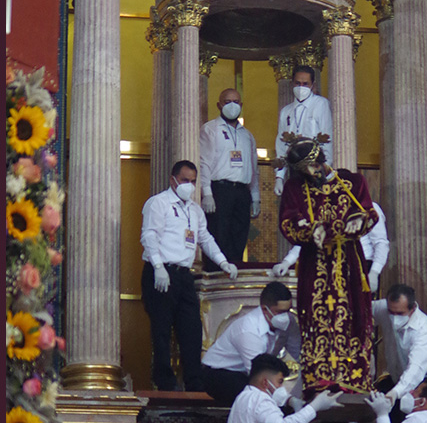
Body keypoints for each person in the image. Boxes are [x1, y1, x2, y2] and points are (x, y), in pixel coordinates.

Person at [278, 136, 378, 394]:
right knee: (316, 318)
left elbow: (369, 213)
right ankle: (318, 380)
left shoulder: (352, 182)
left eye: (312, 166)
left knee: (353, 317)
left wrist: (357, 222)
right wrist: (312, 233)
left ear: (321, 160)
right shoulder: (294, 188)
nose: (311, 174)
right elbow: (288, 223)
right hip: (315, 265)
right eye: (304, 171)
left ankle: (354, 380)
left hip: (348, 266)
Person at [139, 160, 239, 392]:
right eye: (185, 180)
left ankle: (194, 382)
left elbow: (205, 238)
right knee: (162, 330)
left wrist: (223, 261)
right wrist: (158, 266)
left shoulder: (194, 210)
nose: (189, 186)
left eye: (193, 181)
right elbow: (149, 236)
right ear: (173, 180)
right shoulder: (158, 203)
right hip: (160, 272)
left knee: (192, 329)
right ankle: (164, 383)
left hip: (185, 276)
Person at [202, 281, 301, 406]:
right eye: (279, 312)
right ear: (265, 309)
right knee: (256, 396)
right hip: (220, 373)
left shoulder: (289, 322)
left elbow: (299, 352)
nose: (285, 317)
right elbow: (259, 375)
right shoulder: (248, 330)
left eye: (287, 311)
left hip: (246, 372)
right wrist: (289, 401)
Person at [271, 199, 389, 292]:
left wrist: (374, 272)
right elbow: (309, 240)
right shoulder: (323, 209)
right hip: (329, 266)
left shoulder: (368, 208)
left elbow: (381, 243)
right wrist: (286, 262)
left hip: (360, 266)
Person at [198, 86, 260, 263]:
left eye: (236, 102)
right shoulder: (210, 129)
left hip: (242, 191)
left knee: (239, 238)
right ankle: (214, 282)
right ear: (219, 105)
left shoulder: (247, 135)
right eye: (227, 102)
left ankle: (233, 280)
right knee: (218, 236)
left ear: (241, 105)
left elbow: (253, 167)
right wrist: (207, 193)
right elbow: (204, 163)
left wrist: (255, 197)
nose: (232, 105)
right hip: (220, 190)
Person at [371, 283, 427, 423]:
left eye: (400, 314)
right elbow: (364, 307)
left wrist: (394, 393)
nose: (394, 318)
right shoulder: (383, 309)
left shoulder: (424, 330)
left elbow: (415, 370)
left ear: (412, 309)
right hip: (397, 378)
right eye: (391, 313)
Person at [273, 65, 333, 198]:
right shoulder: (286, 111)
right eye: (298, 83)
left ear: (313, 85)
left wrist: (325, 169)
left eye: (305, 84)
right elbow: (281, 145)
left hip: (316, 168)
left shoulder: (320, 104)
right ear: (291, 84)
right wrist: (279, 176)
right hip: (294, 169)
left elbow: (328, 138)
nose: (301, 87)